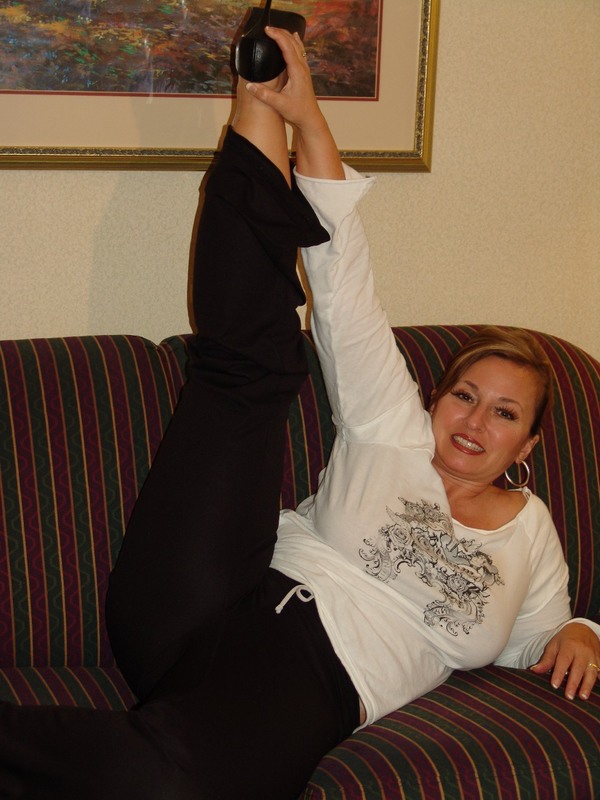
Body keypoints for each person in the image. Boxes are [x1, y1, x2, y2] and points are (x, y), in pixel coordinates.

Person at [1, 18, 599, 800]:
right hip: (212, 590)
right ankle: (256, 99)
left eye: (505, 413)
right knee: (252, 367)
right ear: (435, 399)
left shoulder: (531, 534)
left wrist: (585, 632)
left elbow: (539, 639)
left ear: (530, 442)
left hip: (319, 678)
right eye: (464, 395)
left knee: (172, 782)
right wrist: (307, 119)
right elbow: (344, 284)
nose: (475, 421)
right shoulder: (391, 430)